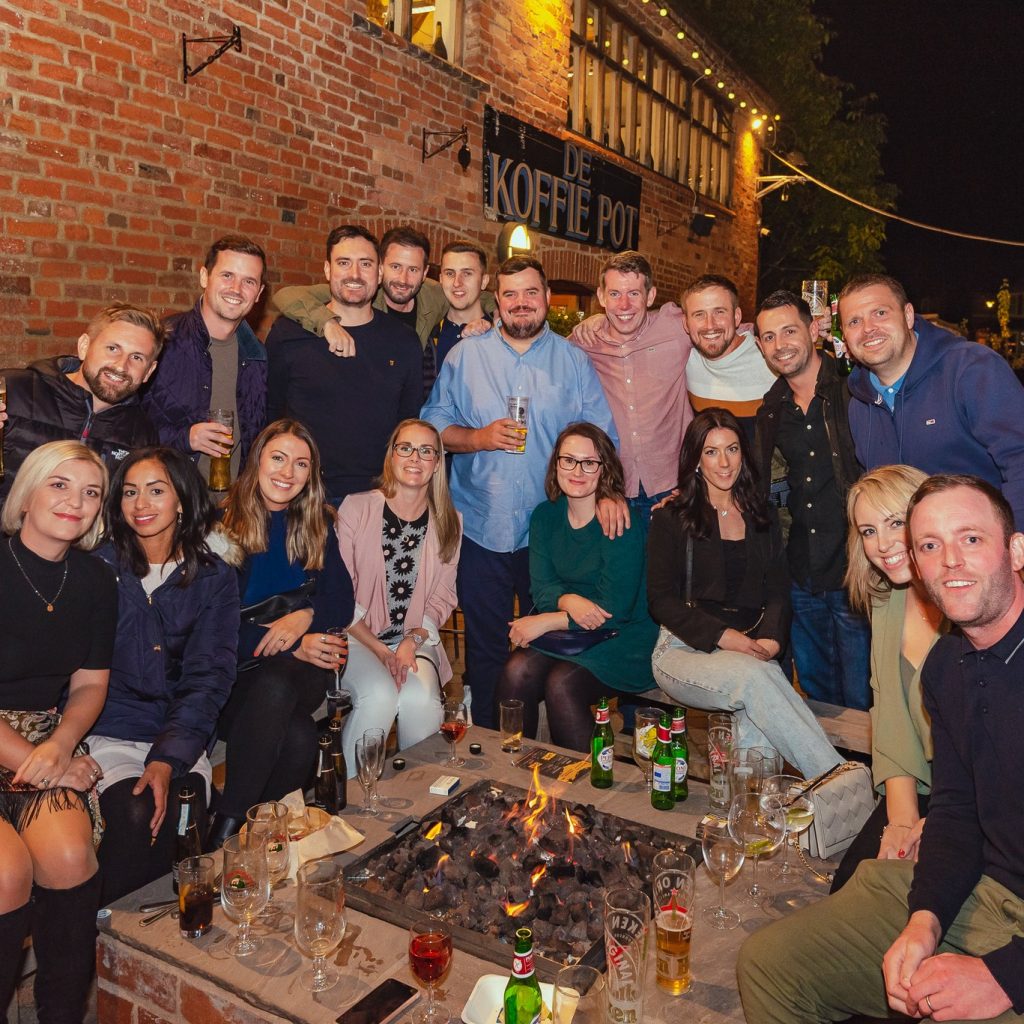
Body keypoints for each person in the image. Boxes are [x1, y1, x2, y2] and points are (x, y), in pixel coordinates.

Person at [738, 474, 1024, 1024]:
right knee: (769, 962)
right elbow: (958, 810)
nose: (950, 562)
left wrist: (1004, 977)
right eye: (931, 546)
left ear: (1014, 549)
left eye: (970, 539)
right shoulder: (948, 667)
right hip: (984, 890)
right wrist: (925, 919)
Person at [422, 255, 617, 729]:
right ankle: (493, 749)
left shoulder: (573, 361)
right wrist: (478, 438)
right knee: (485, 646)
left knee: (548, 647)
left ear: (547, 297)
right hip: (480, 524)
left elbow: (601, 437)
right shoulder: (465, 356)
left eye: (531, 292)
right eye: (510, 294)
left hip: (547, 531)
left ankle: (542, 749)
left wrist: (610, 493)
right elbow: (433, 424)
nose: (521, 303)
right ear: (498, 300)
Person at [647, 408, 841, 778]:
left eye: (732, 449)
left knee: (756, 707)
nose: (724, 462)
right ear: (696, 460)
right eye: (712, 451)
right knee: (755, 678)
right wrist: (724, 636)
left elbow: (778, 590)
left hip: (750, 653)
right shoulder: (672, 517)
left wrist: (770, 638)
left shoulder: (760, 515)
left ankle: (747, 814)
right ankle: (835, 779)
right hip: (682, 650)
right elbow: (660, 600)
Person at [87, 447, 240, 904]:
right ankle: (108, 927)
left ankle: (158, 935)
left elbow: (209, 677)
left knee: (183, 811)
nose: (141, 504)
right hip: (107, 729)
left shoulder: (212, 578)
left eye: (156, 491)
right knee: (135, 813)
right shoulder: (98, 568)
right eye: (130, 492)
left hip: (177, 732)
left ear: (181, 501)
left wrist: (167, 758)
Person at [0, 441, 116, 1024]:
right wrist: (47, 759)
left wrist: (62, 744)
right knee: (5, 873)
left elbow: (90, 686)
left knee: (70, 856)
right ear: (28, 493)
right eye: (60, 485)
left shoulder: (96, 581)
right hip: (7, 738)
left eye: (91, 492)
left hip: (44, 733)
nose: (76, 501)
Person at [209, 420, 354, 848]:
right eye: (278, 458)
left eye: (300, 463)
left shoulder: (315, 524)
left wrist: (305, 617)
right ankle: (260, 836)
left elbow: (341, 603)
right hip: (237, 669)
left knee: (276, 684)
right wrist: (290, 639)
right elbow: (210, 626)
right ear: (256, 460)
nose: (287, 472)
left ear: (311, 475)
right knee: (299, 736)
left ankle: (226, 826)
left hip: (299, 671)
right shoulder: (221, 527)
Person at [495, 423, 658, 752]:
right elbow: (542, 589)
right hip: (574, 633)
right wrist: (568, 600)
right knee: (517, 670)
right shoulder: (545, 516)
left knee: (561, 684)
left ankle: (588, 792)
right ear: (556, 465)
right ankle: (513, 776)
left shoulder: (619, 521)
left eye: (589, 462)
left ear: (604, 469)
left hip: (624, 638)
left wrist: (547, 619)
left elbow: (615, 609)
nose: (578, 471)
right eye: (568, 460)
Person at [754, 289, 870, 709]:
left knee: (863, 698)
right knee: (818, 700)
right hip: (801, 576)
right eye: (768, 337)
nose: (780, 344)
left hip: (854, 573)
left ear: (813, 329)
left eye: (789, 330)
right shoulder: (771, 411)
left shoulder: (853, 390)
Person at [829, 464, 942, 892]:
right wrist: (900, 821)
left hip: (981, 796)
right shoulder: (887, 598)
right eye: (868, 531)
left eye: (895, 522)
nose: (883, 544)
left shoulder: (967, 603)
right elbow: (891, 716)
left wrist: (942, 825)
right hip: (916, 779)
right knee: (849, 888)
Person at [840, 272, 1024, 526]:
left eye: (880, 313)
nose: (868, 328)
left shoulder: (970, 369)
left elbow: (1019, 458)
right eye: (854, 322)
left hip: (983, 552)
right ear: (846, 338)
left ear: (907, 316)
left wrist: (1016, 543)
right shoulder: (860, 405)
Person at [336, 419, 462, 771]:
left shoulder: (451, 521)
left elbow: (442, 597)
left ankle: (421, 800)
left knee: (422, 698)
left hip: (414, 639)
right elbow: (338, 594)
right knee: (379, 696)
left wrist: (410, 640)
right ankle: (356, 797)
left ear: (437, 462)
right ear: (391, 456)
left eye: (426, 451)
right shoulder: (356, 509)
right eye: (405, 447)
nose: (415, 458)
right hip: (357, 638)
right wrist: (380, 649)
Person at [265, 225, 423, 503]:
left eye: (365, 264)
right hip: (301, 495)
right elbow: (269, 414)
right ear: (327, 270)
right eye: (343, 263)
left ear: (380, 273)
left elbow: (407, 425)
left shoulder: (404, 342)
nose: (354, 274)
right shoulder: (288, 333)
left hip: (376, 498)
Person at [568, 251, 694, 527]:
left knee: (665, 570)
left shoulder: (675, 326)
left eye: (634, 294)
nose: (624, 304)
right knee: (619, 569)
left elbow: (724, 332)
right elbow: (540, 352)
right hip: (611, 488)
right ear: (601, 297)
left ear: (650, 296)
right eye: (614, 294)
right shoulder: (583, 341)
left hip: (672, 485)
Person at [0, 302, 162, 504]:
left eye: (137, 357)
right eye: (112, 348)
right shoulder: (13, 391)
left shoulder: (143, 434)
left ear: (149, 371)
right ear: (84, 347)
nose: (121, 366)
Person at [143, 236, 268, 485]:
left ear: (259, 293)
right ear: (204, 277)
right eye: (227, 275)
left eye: (249, 281)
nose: (236, 289)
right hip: (173, 505)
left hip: (234, 509)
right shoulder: (162, 341)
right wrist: (185, 438)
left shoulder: (258, 356)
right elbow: (123, 425)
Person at [681, 274, 775, 442]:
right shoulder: (685, 359)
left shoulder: (768, 355)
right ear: (686, 324)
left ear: (737, 316)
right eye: (699, 314)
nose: (710, 325)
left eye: (719, 312)